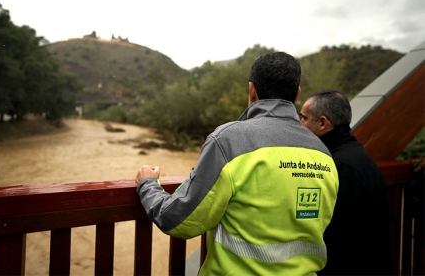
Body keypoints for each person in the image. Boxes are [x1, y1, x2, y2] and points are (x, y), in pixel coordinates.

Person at [135, 52, 339, 275]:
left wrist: (148, 184)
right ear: (297, 94)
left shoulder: (229, 141)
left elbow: (177, 219)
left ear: (252, 91)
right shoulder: (323, 153)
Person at [300, 89, 392, 275]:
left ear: (323, 123)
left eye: (303, 118)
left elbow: (336, 236)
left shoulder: (339, 166)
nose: (299, 124)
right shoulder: (355, 156)